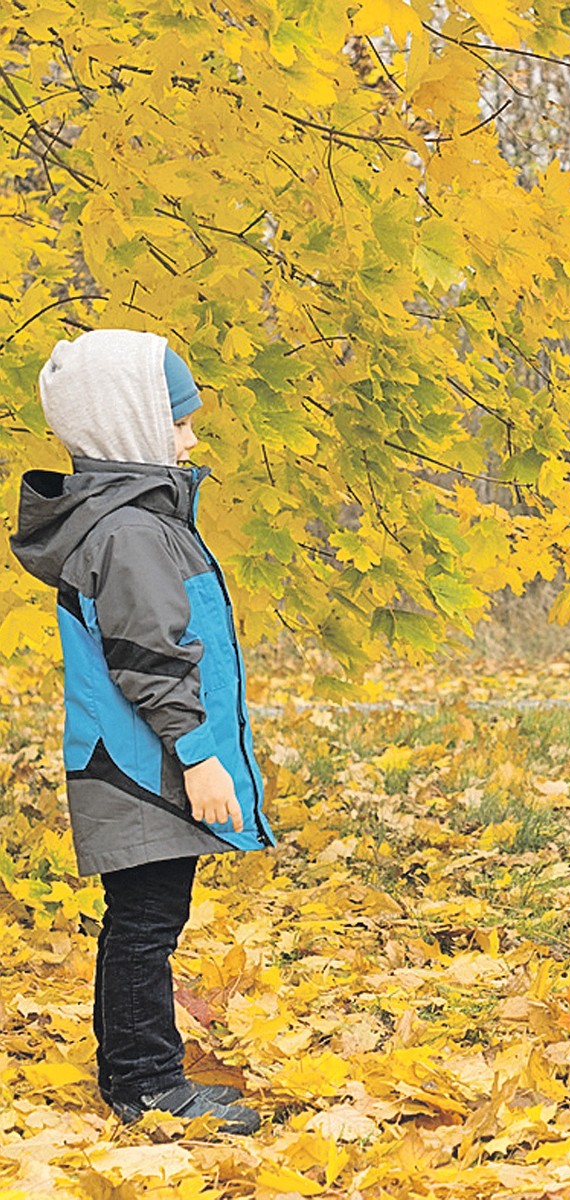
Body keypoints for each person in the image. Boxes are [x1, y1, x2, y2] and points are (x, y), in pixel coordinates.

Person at [12, 329, 274, 1133]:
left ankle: (143, 1074)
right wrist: (197, 755)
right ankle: (145, 1086)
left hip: (139, 760)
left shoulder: (139, 520)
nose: (192, 438)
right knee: (145, 928)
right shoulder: (128, 532)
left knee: (148, 922)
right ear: (130, 422)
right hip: (140, 765)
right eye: (179, 420)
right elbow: (149, 658)